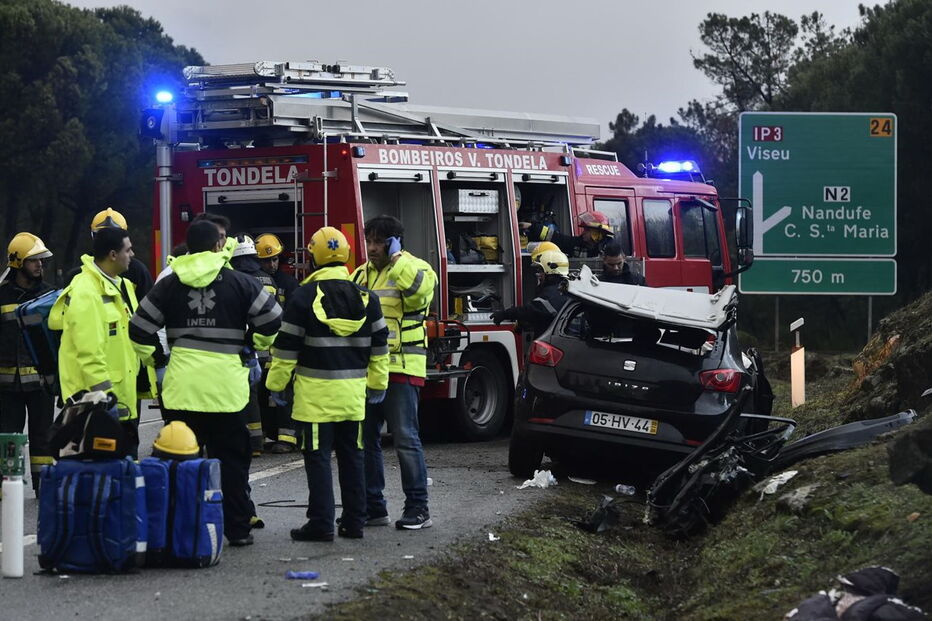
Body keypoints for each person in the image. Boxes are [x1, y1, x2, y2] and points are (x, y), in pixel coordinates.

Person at [128, 220, 282, 547]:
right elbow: (272, 319)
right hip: (227, 391)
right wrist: (251, 345)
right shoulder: (239, 282)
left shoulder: (170, 284)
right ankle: (238, 529)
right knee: (233, 462)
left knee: (179, 463)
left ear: (189, 245)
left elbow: (139, 328)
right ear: (217, 246)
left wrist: (158, 360)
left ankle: (181, 528)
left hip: (181, 390)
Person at [267, 227, 389, 541]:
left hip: (316, 399)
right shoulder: (367, 297)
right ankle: (354, 522)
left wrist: (276, 384)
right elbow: (380, 348)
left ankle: (321, 523)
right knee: (353, 457)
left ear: (313, 258)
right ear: (346, 255)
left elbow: (286, 348)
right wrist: (378, 384)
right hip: (353, 397)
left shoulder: (304, 296)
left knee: (318, 459)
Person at [351, 215, 437, 530]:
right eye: (369, 241)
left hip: (402, 368)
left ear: (394, 242)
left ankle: (419, 509)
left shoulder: (417, 269)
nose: (371, 248)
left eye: (378, 242)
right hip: (369, 370)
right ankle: (374, 508)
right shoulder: (360, 275)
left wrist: (397, 257)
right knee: (365, 440)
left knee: (405, 439)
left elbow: (416, 291)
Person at [50, 227, 158, 458]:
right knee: (104, 476)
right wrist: (104, 401)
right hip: (96, 406)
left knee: (124, 473)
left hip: (120, 402)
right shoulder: (86, 292)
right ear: (112, 254)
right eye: (127, 250)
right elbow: (89, 353)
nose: (132, 254)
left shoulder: (120, 286)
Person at [0, 233, 55, 490]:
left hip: (41, 382)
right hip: (6, 384)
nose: (39, 266)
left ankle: (43, 487)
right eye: (34, 261)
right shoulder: (2, 296)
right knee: (8, 438)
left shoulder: (49, 296)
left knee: (42, 437)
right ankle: (6, 485)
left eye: (41, 261)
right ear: (18, 262)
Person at [230, 234, 277, 456]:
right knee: (265, 398)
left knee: (246, 397)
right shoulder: (267, 279)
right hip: (268, 348)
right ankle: (261, 440)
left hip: (244, 350)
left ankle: (251, 443)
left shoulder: (233, 280)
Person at [255, 233, 300, 453]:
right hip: (260, 351)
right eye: (265, 260)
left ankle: (287, 438)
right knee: (260, 395)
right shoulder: (253, 281)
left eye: (274, 259)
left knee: (285, 395)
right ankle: (262, 435)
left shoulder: (289, 283)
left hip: (281, 350)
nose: (271, 264)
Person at [491, 249, 570, 337]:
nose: (538, 275)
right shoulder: (564, 289)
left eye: (541, 271)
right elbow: (542, 316)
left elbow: (530, 310)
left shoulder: (552, 293)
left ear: (550, 271)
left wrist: (504, 314)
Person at [520, 210, 614, 258]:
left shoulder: (610, 248)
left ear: (596, 234)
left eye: (587, 230)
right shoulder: (577, 243)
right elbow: (555, 238)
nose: (583, 232)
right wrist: (532, 226)